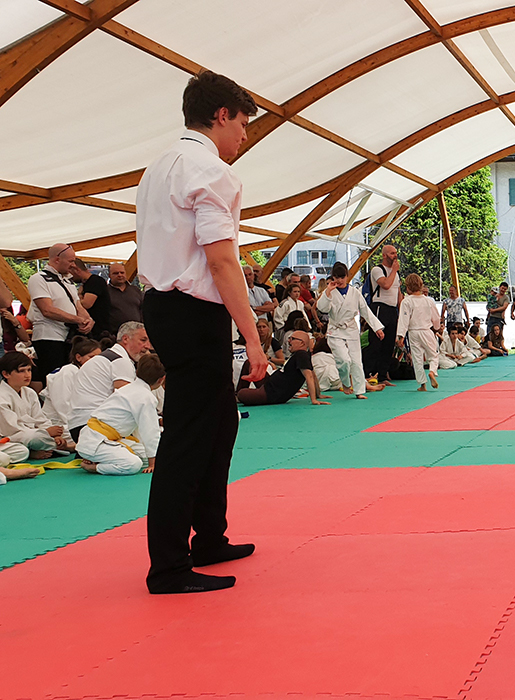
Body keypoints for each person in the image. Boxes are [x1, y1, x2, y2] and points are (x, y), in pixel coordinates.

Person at [136, 70, 267, 594]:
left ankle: (208, 536)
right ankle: (168, 565)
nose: (244, 136)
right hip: (193, 311)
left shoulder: (158, 167)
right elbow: (221, 261)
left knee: (218, 425)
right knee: (189, 435)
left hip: (165, 307)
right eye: (242, 123)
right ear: (221, 115)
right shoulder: (210, 171)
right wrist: (252, 335)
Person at [78, 353, 165, 476]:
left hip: (100, 438)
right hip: (96, 441)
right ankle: (94, 466)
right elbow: (150, 431)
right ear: (161, 379)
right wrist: (153, 463)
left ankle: (99, 458)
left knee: (145, 456)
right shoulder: (145, 397)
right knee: (134, 464)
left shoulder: (131, 389)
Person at [67, 321, 151, 442]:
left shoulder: (109, 358)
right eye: (143, 340)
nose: (147, 346)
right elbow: (131, 403)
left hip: (83, 426)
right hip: (93, 427)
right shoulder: (119, 361)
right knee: (143, 453)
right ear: (126, 339)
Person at [27, 243, 95, 385]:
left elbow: (77, 305)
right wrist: (77, 320)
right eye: (70, 261)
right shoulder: (38, 279)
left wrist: (88, 319)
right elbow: (47, 309)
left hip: (68, 338)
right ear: (57, 259)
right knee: (55, 380)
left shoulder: (68, 280)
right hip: (49, 338)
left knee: (73, 379)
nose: (73, 266)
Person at [316, 261, 384, 399]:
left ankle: (359, 391)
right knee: (343, 360)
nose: (340, 280)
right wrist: (328, 291)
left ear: (347, 276)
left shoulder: (355, 292)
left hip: (351, 329)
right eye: (337, 277)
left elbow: (365, 311)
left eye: (342, 277)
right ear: (333, 277)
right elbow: (322, 308)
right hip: (335, 330)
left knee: (356, 361)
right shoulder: (329, 292)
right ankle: (346, 382)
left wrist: (377, 328)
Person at [0, 351, 76, 458]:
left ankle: (53, 446)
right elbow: (11, 430)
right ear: (6, 374)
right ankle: (61, 447)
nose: (27, 375)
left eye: (29, 370)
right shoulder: (2, 396)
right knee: (35, 438)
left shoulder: (29, 392)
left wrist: (54, 434)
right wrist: (46, 433)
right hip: (11, 437)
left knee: (66, 431)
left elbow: (40, 419)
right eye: (21, 371)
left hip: (33, 434)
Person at [238, 331, 325, 406]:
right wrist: (318, 394)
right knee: (249, 363)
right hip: (270, 384)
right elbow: (313, 375)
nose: (288, 341)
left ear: (301, 343)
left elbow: (309, 376)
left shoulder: (301, 355)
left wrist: (313, 399)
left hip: (272, 393)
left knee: (241, 394)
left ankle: (238, 395)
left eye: (292, 339)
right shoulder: (300, 355)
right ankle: (236, 395)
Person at [41, 337, 102, 430]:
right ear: (78, 357)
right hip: (57, 423)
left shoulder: (91, 375)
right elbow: (62, 405)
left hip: (82, 421)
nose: (96, 361)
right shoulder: (68, 371)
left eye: (99, 358)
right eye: (91, 357)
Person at [396, 273, 442, 391]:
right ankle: (432, 371)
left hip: (413, 332)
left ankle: (422, 384)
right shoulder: (428, 301)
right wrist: (437, 328)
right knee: (433, 355)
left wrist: (400, 336)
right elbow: (436, 318)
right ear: (421, 286)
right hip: (426, 330)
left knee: (417, 358)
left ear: (408, 288)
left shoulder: (406, 301)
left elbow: (403, 319)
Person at [367, 245, 402, 387]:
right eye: (392, 253)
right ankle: (370, 373)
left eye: (396, 253)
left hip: (392, 309)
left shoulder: (396, 274)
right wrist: (393, 270)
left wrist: (401, 312)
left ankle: (382, 375)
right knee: (376, 343)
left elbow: (398, 293)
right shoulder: (377, 270)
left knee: (388, 344)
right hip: (380, 307)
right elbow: (386, 285)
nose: (395, 255)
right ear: (385, 255)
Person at [72, 259, 113, 340]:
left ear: (76, 270)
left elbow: (86, 304)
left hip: (99, 330)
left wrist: (79, 296)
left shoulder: (95, 281)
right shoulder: (87, 284)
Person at [106, 262, 144, 330]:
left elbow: (143, 309)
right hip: (114, 334)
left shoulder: (135, 290)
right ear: (109, 275)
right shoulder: (105, 292)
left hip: (137, 332)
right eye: (116, 273)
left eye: (122, 272)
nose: (120, 275)